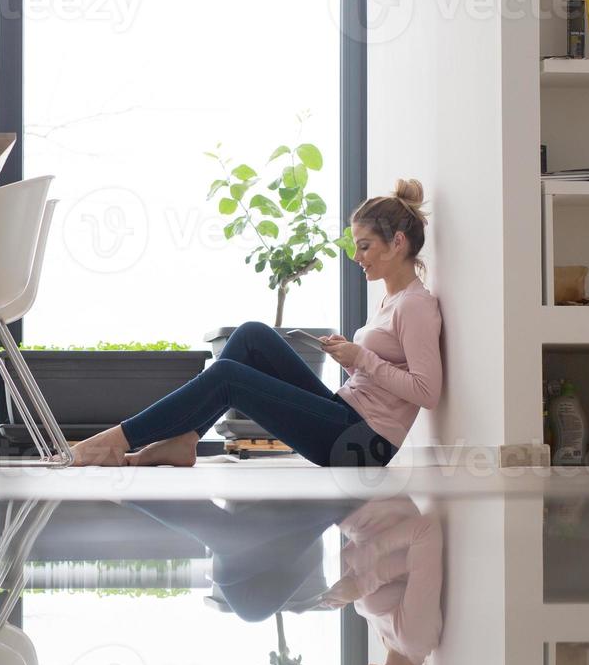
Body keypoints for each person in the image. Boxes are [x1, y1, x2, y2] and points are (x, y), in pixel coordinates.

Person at [70, 178, 443, 467]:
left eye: (364, 246)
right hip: (347, 416)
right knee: (252, 335)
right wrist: (351, 356)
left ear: (397, 243)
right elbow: (379, 374)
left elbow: (427, 392)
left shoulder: (415, 305)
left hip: (361, 444)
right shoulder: (389, 300)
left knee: (228, 376)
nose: (357, 256)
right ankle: (186, 439)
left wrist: (361, 358)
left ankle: (118, 439)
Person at [320, 497, 442, 665]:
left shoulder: (390, 643)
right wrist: (360, 586)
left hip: (349, 512)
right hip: (368, 499)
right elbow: (426, 532)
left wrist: (348, 586)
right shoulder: (415, 638)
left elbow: (392, 566)